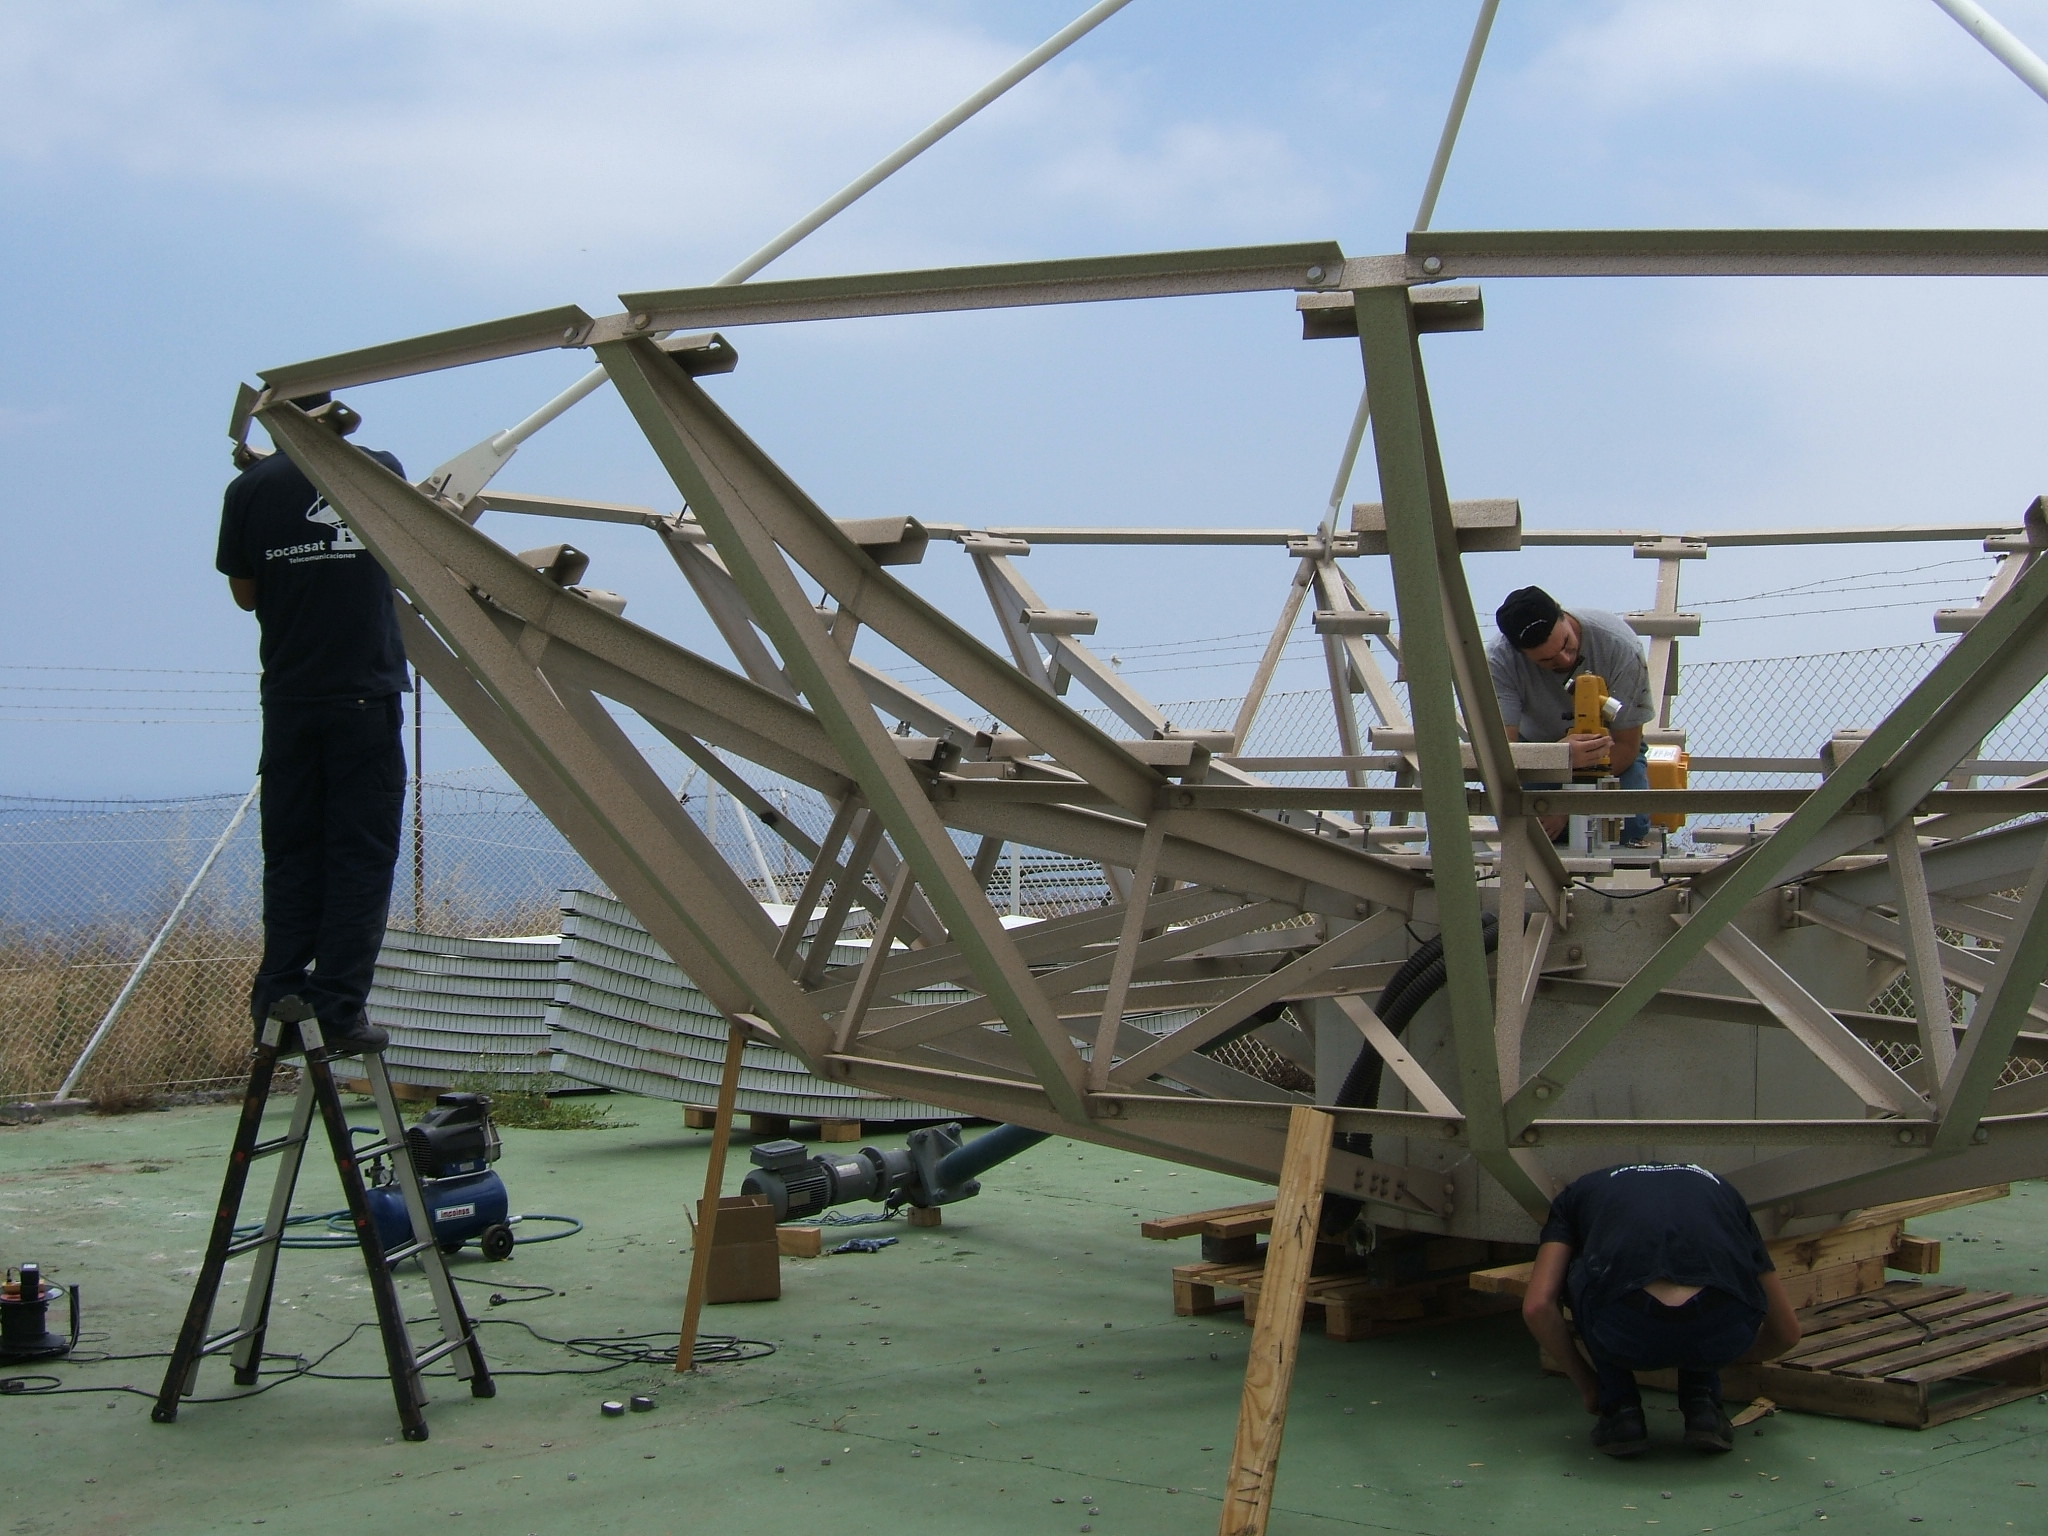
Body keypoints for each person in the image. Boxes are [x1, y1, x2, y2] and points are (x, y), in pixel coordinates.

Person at [216, 392, 407, 1055]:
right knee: (361, 857)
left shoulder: (248, 489)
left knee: (293, 853)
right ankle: (338, 1012)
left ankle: (278, 1000)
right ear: (335, 413)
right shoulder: (377, 469)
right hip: (365, 697)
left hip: (291, 699)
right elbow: (406, 552)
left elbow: (245, 595)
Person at [1521, 1162, 1801, 1457]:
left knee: (1579, 1272)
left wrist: (1588, 1385)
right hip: (1720, 1330)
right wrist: (1722, 1356)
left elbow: (1538, 1306)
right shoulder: (1723, 1190)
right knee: (1714, 1279)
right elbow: (1787, 1333)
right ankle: (1704, 1407)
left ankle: (1620, 1410)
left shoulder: (1574, 1197)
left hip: (1627, 1331)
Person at [1488, 585, 1655, 845]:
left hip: (1610, 750)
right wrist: (1556, 757)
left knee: (1629, 824)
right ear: (1520, 654)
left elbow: (1627, 744)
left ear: (1563, 615)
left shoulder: (1619, 646)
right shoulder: (1500, 661)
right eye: (1547, 661)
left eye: (1566, 644)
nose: (1566, 661)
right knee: (1526, 825)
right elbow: (1504, 752)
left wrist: (1567, 807)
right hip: (1535, 754)